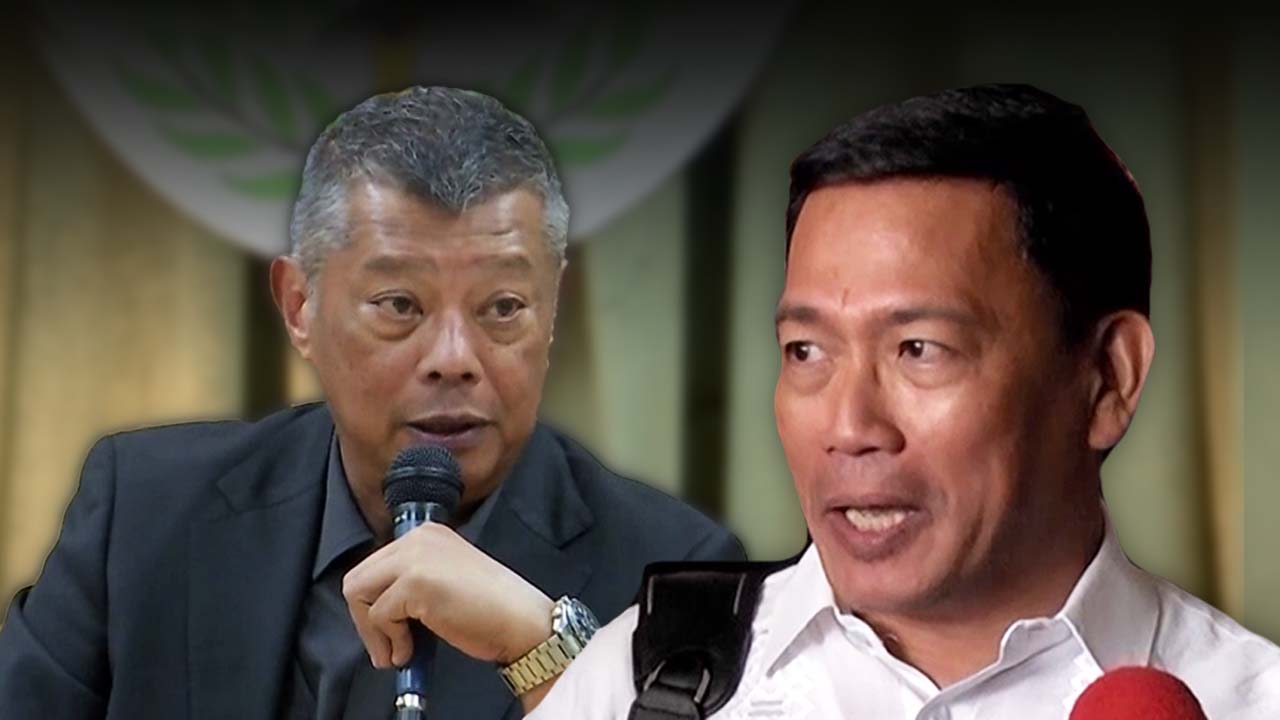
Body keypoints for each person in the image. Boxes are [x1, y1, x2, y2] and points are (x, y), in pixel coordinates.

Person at [525, 84, 1280, 718]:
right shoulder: (636, 681)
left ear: (1109, 378)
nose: (849, 426)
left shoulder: (1249, 700)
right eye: (806, 352)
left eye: (919, 349)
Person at [0, 87, 745, 720]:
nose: (453, 358)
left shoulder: (678, 572)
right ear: (299, 306)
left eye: (503, 307)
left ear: (553, 313)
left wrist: (540, 648)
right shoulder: (144, 512)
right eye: (399, 305)